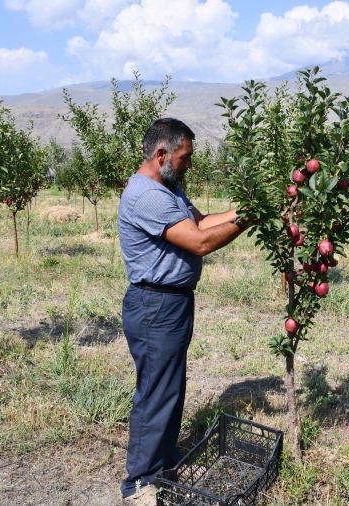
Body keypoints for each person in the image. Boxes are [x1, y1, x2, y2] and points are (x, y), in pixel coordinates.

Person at [117, 118, 247, 505]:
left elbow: (203, 220)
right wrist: (250, 218)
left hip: (171, 303)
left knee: (169, 390)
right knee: (156, 393)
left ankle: (163, 468)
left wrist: (248, 206)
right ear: (162, 154)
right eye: (185, 157)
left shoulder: (168, 187)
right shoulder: (148, 196)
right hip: (155, 305)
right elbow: (201, 240)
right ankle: (139, 484)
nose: (189, 165)